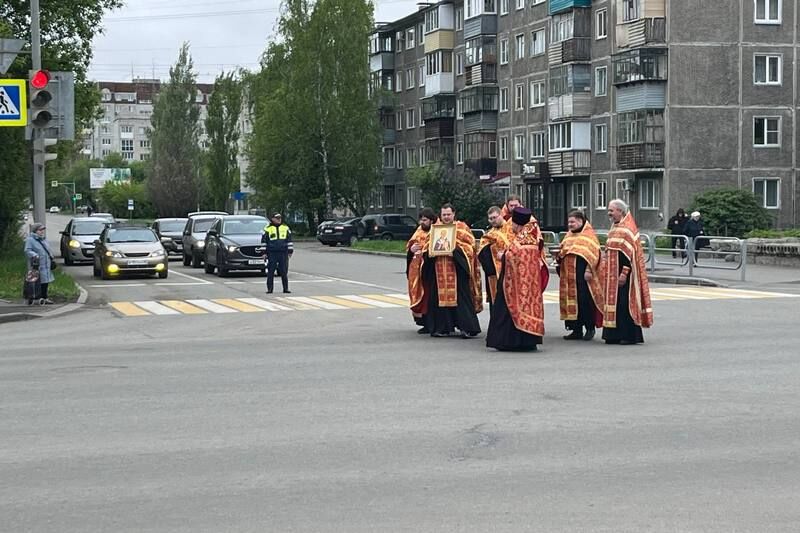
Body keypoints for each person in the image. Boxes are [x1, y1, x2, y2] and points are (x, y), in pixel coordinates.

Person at [410, 203, 482, 338]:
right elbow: (426, 246)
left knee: (461, 299)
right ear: (440, 215)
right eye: (444, 215)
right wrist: (430, 251)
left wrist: (455, 249)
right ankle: (441, 327)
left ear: (454, 214)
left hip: (457, 270)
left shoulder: (461, 228)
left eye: (449, 214)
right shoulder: (435, 229)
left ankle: (466, 328)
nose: (447, 217)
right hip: (438, 271)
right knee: (438, 299)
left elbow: (470, 246)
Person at [486, 208, 546, 352]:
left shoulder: (520, 240)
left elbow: (512, 256)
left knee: (507, 310)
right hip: (530, 285)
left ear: (517, 224)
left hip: (515, 285)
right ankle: (529, 341)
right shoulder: (531, 238)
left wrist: (503, 256)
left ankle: (511, 342)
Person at [601, 199, 653, 345]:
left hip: (625, 275)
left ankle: (629, 335)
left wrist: (624, 273)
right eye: (609, 210)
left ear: (620, 211)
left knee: (624, 304)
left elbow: (629, 256)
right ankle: (613, 335)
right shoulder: (614, 227)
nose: (609, 213)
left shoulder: (627, 229)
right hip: (612, 274)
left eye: (611, 210)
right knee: (614, 304)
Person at [556, 211, 604, 341]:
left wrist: (589, 270)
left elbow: (594, 254)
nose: (570, 224)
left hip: (583, 275)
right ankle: (576, 329)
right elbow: (564, 250)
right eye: (569, 222)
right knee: (571, 301)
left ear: (581, 221)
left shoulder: (589, 235)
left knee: (585, 301)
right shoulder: (569, 235)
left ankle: (589, 328)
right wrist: (559, 255)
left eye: (573, 222)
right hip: (569, 275)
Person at [406, 208, 437, 333]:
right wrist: (411, 250)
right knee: (421, 296)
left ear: (431, 220)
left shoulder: (436, 231)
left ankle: (432, 323)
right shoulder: (418, 232)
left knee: (430, 298)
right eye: (421, 220)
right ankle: (424, 322)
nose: (422, 222)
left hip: (430, 269)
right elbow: (410, 248)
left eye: (425, 220)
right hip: (417, 270)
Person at [478, 206, 512, 309]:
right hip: (494, 274)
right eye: (490, 218)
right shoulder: (489, 235)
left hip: (510, 271)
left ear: (501, 215)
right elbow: (482, 253)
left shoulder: (512, 229)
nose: (493, 220)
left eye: (495, 217)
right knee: (496, 303)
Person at [24, 223, 56, 305]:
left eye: (43, 230)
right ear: (35, 231)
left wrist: (51, 256)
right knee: (37, 280)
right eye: (40, 230)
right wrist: (35, 255)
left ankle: (45, 297)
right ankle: (37, 296)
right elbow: (27, 250)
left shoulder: (43, 239)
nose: (42, 231)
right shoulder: (30, 239)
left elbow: (47, 249)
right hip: (37, 264)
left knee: (45, 281)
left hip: (46, 263)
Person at [262, 213, 293, 294]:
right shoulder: (267, 229)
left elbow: (289, 240)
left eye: (279, 218)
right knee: (271, 271)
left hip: (283, 253)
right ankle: (270, 289)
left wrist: (290, 251)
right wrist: (264, 253)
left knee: (284, 271)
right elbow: (264, 241)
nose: (279, 219)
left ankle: (285, 288)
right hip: (272, 253)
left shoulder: (285, 228)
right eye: (277, 218)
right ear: (272, 219)